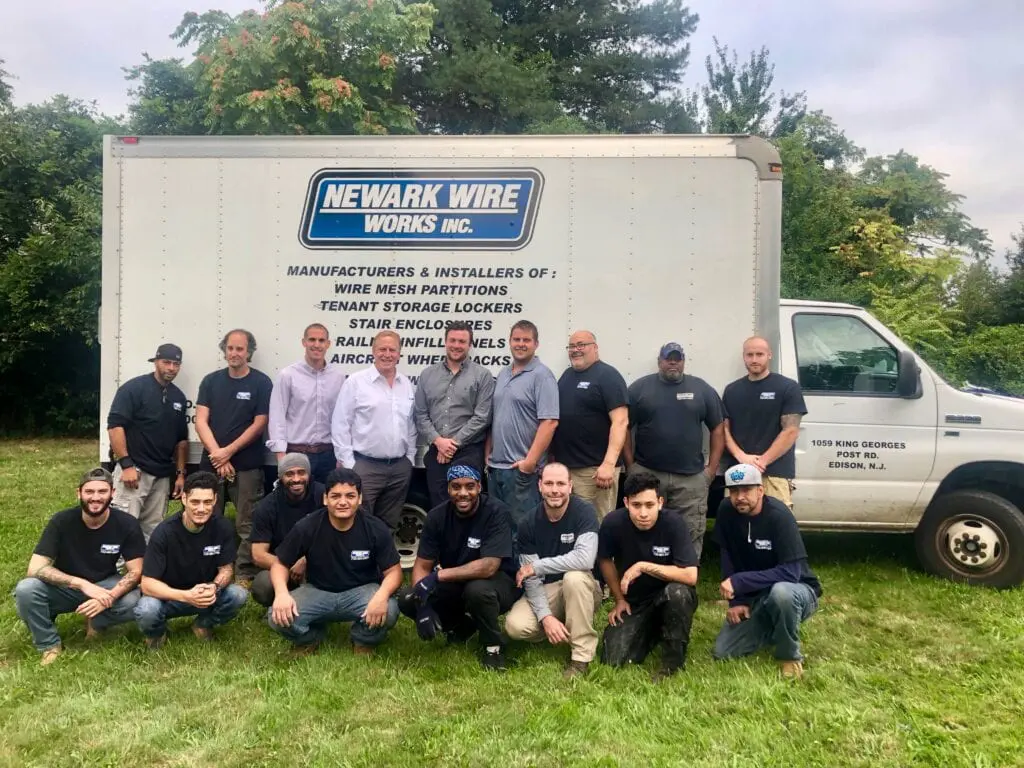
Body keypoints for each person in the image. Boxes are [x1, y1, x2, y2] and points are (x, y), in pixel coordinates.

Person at [14, 468, 146, 666]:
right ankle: (49, 645)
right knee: (26, 589)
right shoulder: (62, 521)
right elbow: (35, 569)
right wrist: (81, 584)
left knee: (137, 600)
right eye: (89, 491)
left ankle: (97, 622)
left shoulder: (127, 524)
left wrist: (108, 598)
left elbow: (136, 571)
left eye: (102, 492)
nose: (95, 497)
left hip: (105, 585)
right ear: (79, 493)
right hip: (66, 587)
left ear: (112, 493)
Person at [267, 468, 402, 654]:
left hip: (361, 592)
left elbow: (394, 572)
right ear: (325, 499)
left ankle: (363, 640)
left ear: (360, 499)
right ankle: (310, 638)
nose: (343, 502)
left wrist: (381, 596)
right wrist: (282, 594)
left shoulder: (375, 528)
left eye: (350, 496)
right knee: (276, 617)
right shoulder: (307, 526)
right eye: (335, 496)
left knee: (390, 609)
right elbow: (280, 564)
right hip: (318, 591)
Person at [398, 465, 520, 670]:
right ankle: (461, 627)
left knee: (478, 590)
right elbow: (422, 565)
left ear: (479, 487)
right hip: (457, 581)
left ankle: (493, 648)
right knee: (407, 598)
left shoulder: (496, 512)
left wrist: (439, 576)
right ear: (448, 489)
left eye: (469, 486)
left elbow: (489, 566)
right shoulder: (437, 516)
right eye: (456, 487)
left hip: (499, 582)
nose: (463, 493)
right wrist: (422, 605)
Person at [712, 464, 822, 679]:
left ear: (760, 490)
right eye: (734, 491)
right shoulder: (726, 510)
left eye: (746, 490)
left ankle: (789, 656)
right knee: (723, 651)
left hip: (797, 589)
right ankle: (775, 623)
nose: (739, 497)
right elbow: (727, 555)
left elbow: (791, 573)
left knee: (781, 594)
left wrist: (739, 581)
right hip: (757, 595)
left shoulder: (780, 516)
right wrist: (737, 601)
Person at [625, 341, 724, 558]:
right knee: (645, 527)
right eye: (668, 358)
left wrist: (711, 470)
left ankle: (685, 583)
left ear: (683, 362)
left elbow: (718, 428)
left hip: (690, 479)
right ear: (659, 361)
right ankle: (646, 579)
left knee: (689, 532)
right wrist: (631, 466)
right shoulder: (640, 389)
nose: (673, 362)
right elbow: (624, 426)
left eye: (677, 358)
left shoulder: (701, 389)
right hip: (647, 474)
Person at [598, 470, 699, 681]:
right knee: (613, 659)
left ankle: (672, 663)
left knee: (677, 593)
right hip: (635, 602)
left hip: (669, 595)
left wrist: (643, 566)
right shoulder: (612, 523)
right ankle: (655, 630)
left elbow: (690, 576)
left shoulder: (674, 523)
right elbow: (605, 560)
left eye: (649, 505)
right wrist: (619, 599)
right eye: (636, 505)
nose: (643, 513)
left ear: (660, 502)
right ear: (626, 502)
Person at [504, 463, 602, 678]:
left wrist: (538, 566)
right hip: (548, 588)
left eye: (560, 483)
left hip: (582, 585)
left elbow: (585, 559)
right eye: (549, 483)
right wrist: (545, 617)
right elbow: (531, 580)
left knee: (573, 578)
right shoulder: (528, 523)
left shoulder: (584, 512)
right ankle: (558, 626)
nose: (554, 489)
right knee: (515, 626)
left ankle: (580, 658)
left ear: (570, 486)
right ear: (539, 486)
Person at [134, 471, 249, 648]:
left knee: (238, 594)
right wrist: (186, 596)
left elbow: (226, 569)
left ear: (215, 500)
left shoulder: (223, 526)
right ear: (184, 498)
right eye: (195, 502)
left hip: (204, 596)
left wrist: (215, 586)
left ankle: (203, 625)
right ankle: (157, 633)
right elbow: (148, 584)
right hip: (169, 597)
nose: (201, 509)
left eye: (207, 502)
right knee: (147, 609)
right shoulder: (164, 533)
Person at [195, 328, 274, 581]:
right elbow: (200, 421)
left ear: (249, 351)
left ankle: (244, 572)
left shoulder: (262, 383)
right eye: (230, 348)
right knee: (206, 517)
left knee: (246, 522)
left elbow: (260, 423)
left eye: (240, 349)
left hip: (247, 464)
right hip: (212, 462)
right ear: (224, 350)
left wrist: (227, 452)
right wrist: (217, 454)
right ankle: (209, 568)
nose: (234, 353)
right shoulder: (210, 381)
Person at [331, 330, 417, 531]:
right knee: (357, 522)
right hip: (365, 466)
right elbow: (340, 423)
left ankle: (381, 563)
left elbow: (411, 424)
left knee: (388, 525)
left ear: (399, 353)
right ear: (373, 351)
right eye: (382, 349)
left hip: (399, 468)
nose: (387, 354)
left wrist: (410, 459)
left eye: (392, 350)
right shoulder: (356, 382)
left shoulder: (406, 384)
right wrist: (350, 463)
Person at [107, 342, 189, 540]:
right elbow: (115, 426)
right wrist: (126, 465)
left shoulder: (178, 397)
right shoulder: (134, 389)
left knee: (152, 531)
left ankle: (145, 570)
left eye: (176, 364)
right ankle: (114, 570)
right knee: (122, 526)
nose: (171, 368)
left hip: (161, 475)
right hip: (135, 471)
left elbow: (181, 441)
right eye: (166, 362)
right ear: (156, 362)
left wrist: (179, 474)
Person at [487, 320, 559, 531]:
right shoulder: (503, 373)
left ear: (536, 344)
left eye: (526, 340)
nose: (520, 344)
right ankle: (505, 566)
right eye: (516, 339)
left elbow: (550, 422)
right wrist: (488, 452)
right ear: (509, 342)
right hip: (496, 468)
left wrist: (530, 462)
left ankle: (523, 566)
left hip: (521, 471)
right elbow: (496, 415)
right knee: (499, 528)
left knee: (523, 530)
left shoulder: (542, 376)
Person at [414, 321, 495, 508]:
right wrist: (439, 441)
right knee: (439, 506)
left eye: (462, 341)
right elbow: (420, 414)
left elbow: (482, 416)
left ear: (470, 345)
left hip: (469, 450)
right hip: (437, 451)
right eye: (453, 340)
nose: (456, 345)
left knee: (466, 504)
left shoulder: (482, 376)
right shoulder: (427, 375)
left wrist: (453, 444)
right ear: (445, 342)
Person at [722, 337, 808, 509]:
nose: (754, 359)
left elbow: (791, 431)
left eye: (759, 354)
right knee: (736, 527)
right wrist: (741, 456)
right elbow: (723, 430)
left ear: (769, 355)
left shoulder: (788, 387)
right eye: (750, 355)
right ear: (744, 357)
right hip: (738, 472)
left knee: (776, 525)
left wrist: (762, 462)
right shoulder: (732, 390)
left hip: (774, 474)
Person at [549, 330, 628, 518]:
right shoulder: (567, 375)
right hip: (567, 469)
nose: (576, 350)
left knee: (596, 526)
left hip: (595, 471)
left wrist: (608, 464)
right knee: (572, 525)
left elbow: (621, 421)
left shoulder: (608, 376)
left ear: (595, 347)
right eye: (572, 346)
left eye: (581, 345)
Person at [267, 323, 346, 484]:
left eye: (321, 340)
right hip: (297, 452)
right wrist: (281, 455)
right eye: (312, 339)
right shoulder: (288, 375)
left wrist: (341, 455)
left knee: (327, 504)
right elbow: (277, 415)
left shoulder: (338, 376)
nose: (316, 344)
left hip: (328, 454)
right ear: (304, 342)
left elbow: (342, 418)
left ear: (328, 344)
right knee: (297, 504)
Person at [249, 453, 325, 607]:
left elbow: (337, 536)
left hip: (322, 563)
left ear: (309, 474)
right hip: (283, 566)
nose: (296, 479)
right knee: (263, 585)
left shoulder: (324, 496)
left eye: (301, 472)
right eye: (289, 474)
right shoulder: (267, 506)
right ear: (280, 477)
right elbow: (258, 555)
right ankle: (282, 603)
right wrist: (289, 567)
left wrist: (306, 561)